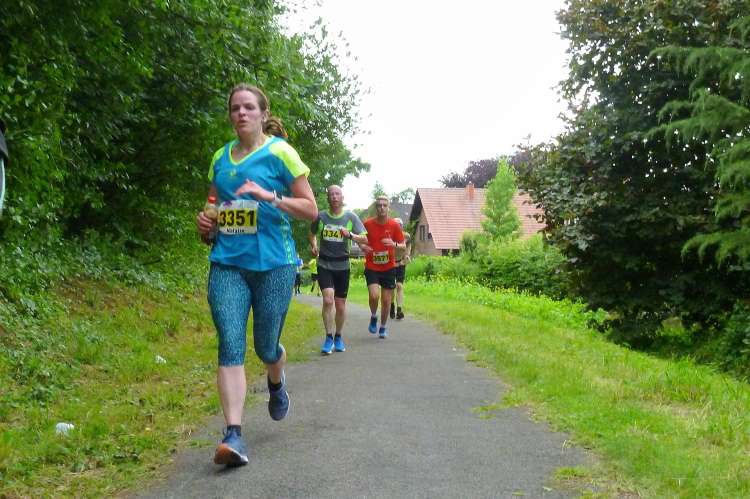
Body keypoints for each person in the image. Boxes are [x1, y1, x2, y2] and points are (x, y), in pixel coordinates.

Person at [195, 83, 318, 467]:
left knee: (266, 347)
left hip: (274, 265)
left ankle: (276, 380)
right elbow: (215, 206)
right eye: (235, 108)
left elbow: (311, 210)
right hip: (227, 264)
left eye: (249, 107)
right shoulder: (220, 158)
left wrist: (271, 197)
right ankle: (233, 435)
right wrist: (206, 224)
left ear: (263, 115)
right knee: (230, 342)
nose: (241, 113)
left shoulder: (280, 153)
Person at [308, 185, 368, 354]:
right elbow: (311, 234)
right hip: (324, 264)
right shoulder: (320, 216)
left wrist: (350, 235)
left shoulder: (351, 217)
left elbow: (364, 239)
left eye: (337, 194)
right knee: (328, 300)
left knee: (340, 305)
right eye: (331, 194)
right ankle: (328, 337)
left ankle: (338, 337)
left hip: (342, 265)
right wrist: (314, 246)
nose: (334, 197)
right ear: (327, 198)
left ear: (342, 198)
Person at [362, 196, 405, 339]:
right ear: (376, 207)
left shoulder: (394, 225)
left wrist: (394, 244)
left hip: (388, 267)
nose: (382, 208)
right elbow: (360, 238)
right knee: (374, 295)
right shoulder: (368, 224)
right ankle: (374, 315)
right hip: (372, 266)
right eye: (379, 205)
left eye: (384, 205)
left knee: (386, 300)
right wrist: (362, 246)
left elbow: (403, 245)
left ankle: (383, 327)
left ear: (388, 207)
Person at [390, 218, 411, 320]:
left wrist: (408, 255)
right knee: (391, 287)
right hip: (390, 263)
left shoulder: (406, 236)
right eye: (396, 225)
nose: (398, 227)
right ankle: (391, 306)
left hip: (401, 262)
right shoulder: (389, 236)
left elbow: (408, 245)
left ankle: (399, 310)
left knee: (399, 285)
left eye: (400, 225)